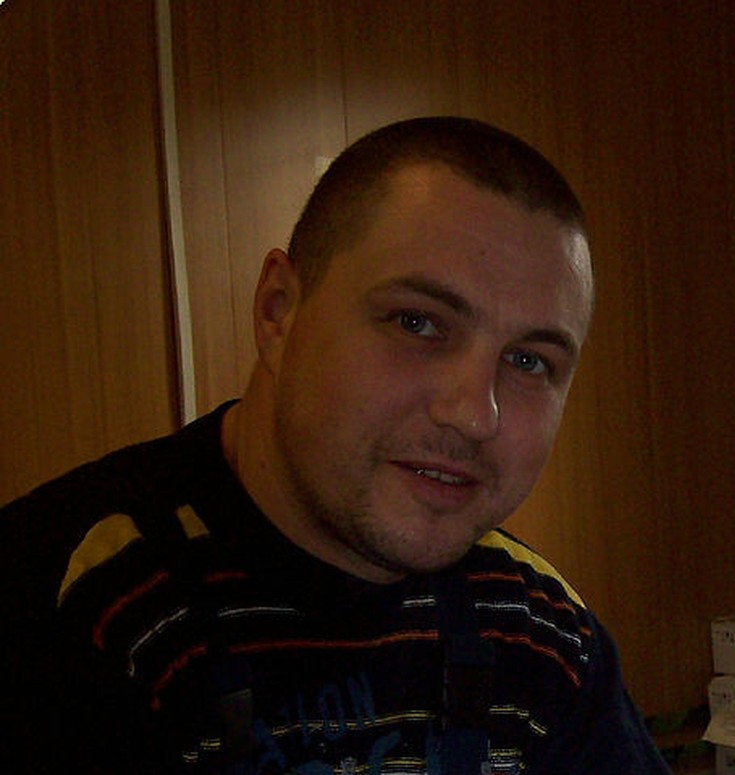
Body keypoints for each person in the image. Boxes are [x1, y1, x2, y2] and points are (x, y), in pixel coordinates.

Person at [0, 117, 669, 773]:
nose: (474, 415)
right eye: (416, 322)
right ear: (278, 310)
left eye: (529, 361)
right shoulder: (73, 603)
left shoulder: (537, 632)